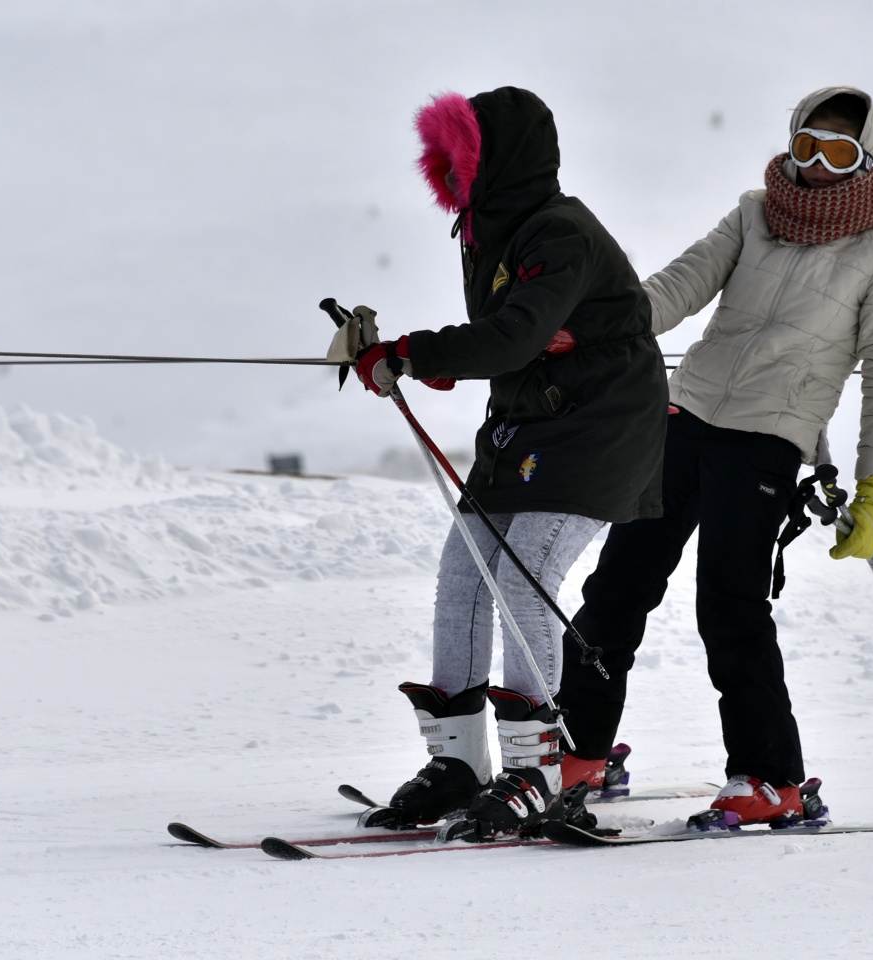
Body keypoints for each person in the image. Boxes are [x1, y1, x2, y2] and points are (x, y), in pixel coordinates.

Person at [555, 86, 873, 823]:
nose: (817, 165)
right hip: (684, 415)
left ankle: (770, 778)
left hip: (766, 441)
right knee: (616, 589)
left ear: (864, 161)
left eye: (838, 152)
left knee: (729, 606)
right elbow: (679, 284)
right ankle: (580, 748)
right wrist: (594, 329)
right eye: (807, 144)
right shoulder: (755, 213)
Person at [350, 87, 668, 834]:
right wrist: (436, 356)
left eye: (463, 159)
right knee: (465, 572)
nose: (452, 175)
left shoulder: (560, 232)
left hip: (600, 428)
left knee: (526, 574)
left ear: (499, 161)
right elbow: (513, 338)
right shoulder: (488, 230)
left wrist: (411, 352)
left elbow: (513, 337)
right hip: (528, 425)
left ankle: (537, 772)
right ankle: (459, 763)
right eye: (447, 163)